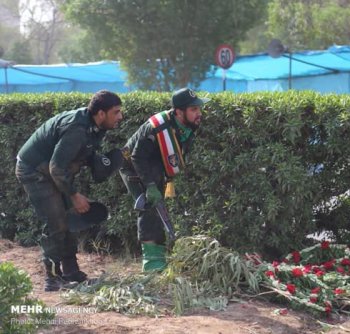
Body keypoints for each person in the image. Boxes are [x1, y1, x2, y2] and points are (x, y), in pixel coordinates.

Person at [15, 90, 124, 291]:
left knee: (66, 219)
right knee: (56, 221)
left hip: (52, 171)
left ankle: (71, 272)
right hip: (34, 171)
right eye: (116, 112)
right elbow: (56, 168)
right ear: (101, 113)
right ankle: (52, 279)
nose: (120, 117)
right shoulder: (77, 129)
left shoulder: (95, 126)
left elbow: (76, 159)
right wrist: (73, 195)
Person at [120, 87, 209, 272]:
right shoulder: (157, 127)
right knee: (149, 208)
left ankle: (159, 258)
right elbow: (137, 157)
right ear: (179, 112)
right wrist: (150, 186)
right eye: (194, 109)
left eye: (199, 109)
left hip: (154, 167)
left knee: (160, 210)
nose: (199, 113)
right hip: (134, 167)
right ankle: (151, 264)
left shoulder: (188, 125)